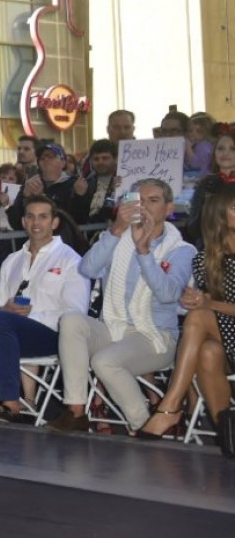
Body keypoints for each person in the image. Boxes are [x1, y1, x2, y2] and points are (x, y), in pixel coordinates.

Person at [49, 179, 195, 434]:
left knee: (105, 361)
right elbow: (87, 269)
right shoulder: (117, 239)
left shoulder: (181, 250)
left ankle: (145, 424)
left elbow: (169, 294)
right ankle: (76, 411)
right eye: (139, 201)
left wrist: (144, 251)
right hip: (114, 329)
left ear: (169, 207)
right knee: (71, 320)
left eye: (153, 200)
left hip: (155, 336)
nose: (145, 207)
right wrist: (116, 230)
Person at [0, 196, 90, 422]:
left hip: (50, 334)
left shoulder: (71, 259)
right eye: (30, 216)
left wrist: (32, 314)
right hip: (6, 332)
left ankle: (10, 401)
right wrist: (4, 308)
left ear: (55, 222)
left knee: (2, 321)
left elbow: (76, 312)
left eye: (43, 216)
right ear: (23, 221)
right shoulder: (12, 260)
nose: (36, 222)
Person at [137, 183, 235, 442]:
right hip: (226, 342)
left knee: (200, 317)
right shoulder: (205, 259)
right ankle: (228, 435)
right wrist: (193, 298)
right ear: (219, 214)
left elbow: (210, 309)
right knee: (207, 351)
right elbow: (205, 304)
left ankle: (170, 405)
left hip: (225, 333)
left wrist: (207, 305)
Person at [185, 123, 235, 248]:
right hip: (209, 248)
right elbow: (193, 225)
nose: (225, 153)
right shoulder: (206, 183)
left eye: (232, 149)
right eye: (220, 148)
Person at [7, 142, 76, 227]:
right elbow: (15, 222)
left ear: (63, 162)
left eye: (51, 156)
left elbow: (72, 217)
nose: (46, 159)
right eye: (42, 157)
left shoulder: (73, 184)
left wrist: (41, 197)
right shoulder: (30, 184)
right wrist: (24, 196)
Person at [70, 139, 120, 224]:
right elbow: (76, 217)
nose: (100, 162)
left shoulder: (124, 181)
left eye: (105, 158)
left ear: (115, 159)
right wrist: (78, 196)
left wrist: (114, 193)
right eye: (96, 159)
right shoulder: (85, 183)